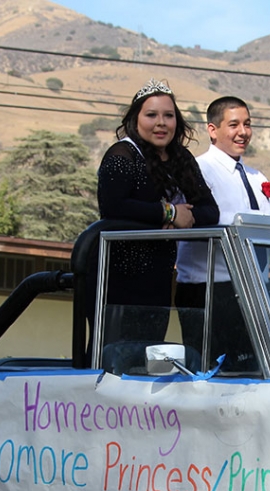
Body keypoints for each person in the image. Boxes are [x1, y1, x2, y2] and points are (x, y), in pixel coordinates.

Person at [96, 79, 219, 344]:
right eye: (151, 115)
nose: (161, 122)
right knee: (115, 355)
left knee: (147, 355)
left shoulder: (181, 159)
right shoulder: (122, 155)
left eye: (168, 115)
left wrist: (185, 218)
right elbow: (113, 207)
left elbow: (211, 211)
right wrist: (168, 213)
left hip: (160, 277)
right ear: (135, 119)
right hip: (119, 278)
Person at [174, 97, 270, 369]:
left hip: (251, 289)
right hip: (207, 290)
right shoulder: (197, 170)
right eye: (233, 124)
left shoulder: (258, 177)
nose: (242, 132)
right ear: (212, 130)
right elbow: (194, 219)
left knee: (251, 373)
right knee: (211, 373)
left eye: (247, 124)